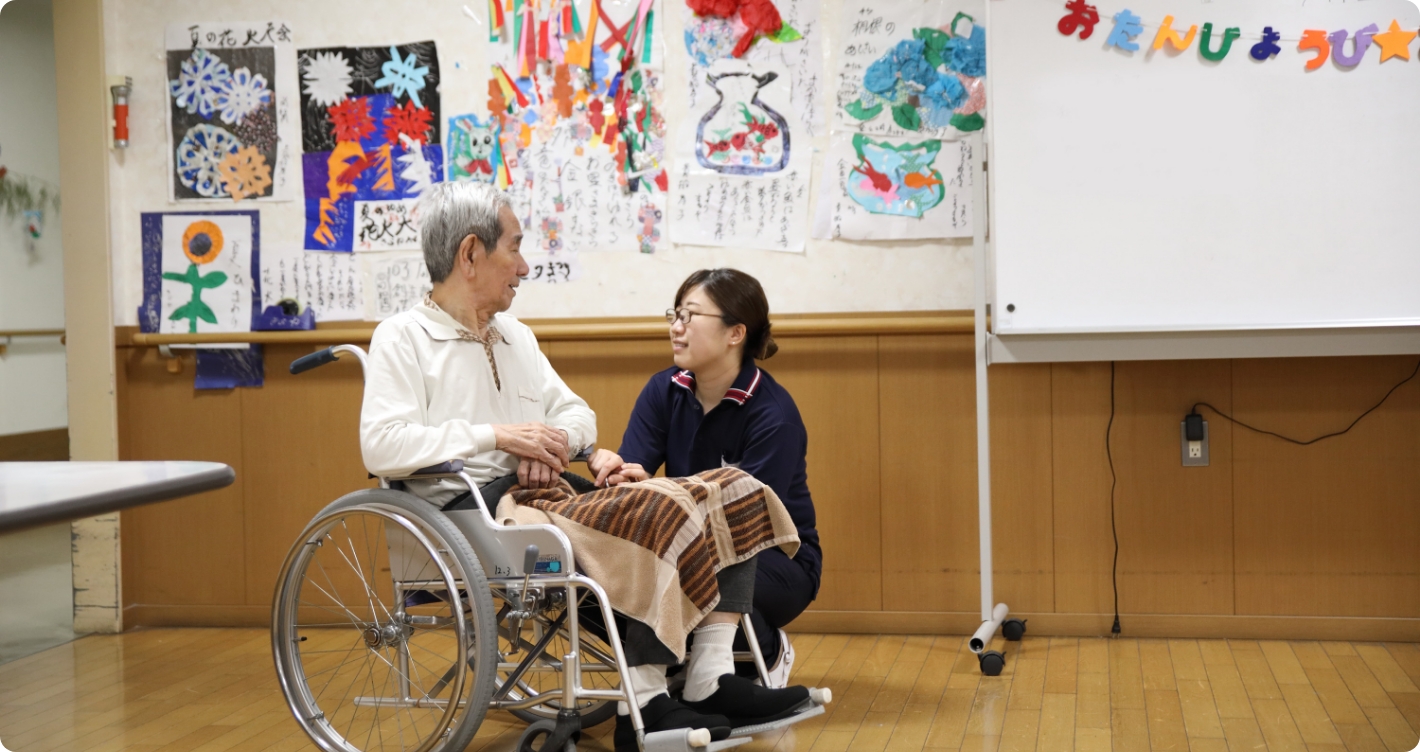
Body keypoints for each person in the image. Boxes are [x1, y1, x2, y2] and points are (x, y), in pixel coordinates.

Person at [358, 183, 808, 750]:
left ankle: (710, 676)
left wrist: (552, 444)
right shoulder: (403, 337)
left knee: (728, 488)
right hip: (473, 508)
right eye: (514, 249)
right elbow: (382, 445)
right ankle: (643, 703)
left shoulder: (515, 336)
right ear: (470, 255)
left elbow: (578, 416)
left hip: (543, 494)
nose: (523, 266)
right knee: (657, 508)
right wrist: (500, 437)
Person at [589, 268, 823, 689]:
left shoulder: (774, 415)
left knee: (693, 569)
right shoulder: (663, 390)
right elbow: (636, 470)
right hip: (688, 544)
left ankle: (765, 650)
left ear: (735, 333)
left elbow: (746, 521)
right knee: (608, 576)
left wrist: (660, 490)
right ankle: (682, 667)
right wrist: (624, 475)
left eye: (690, 317)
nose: (676, 329)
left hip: (771, 559)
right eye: (674, 315)